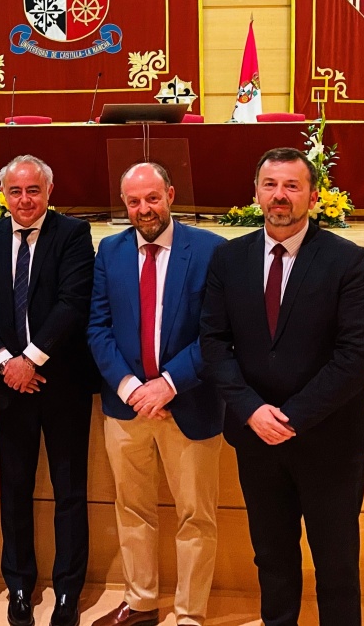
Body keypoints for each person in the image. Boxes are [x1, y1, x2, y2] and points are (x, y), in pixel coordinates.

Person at [201, 147, 364, 626]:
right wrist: (252, 411)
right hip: (257, 439)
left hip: (331, 440)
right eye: (270, 185)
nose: (280, 196)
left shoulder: (348, 260)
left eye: (292, 186)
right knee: (273, 561)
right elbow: (214, 342)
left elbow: (357, 355)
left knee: (336, 564)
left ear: (313, 197)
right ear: (256, 192)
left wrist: (294, 416)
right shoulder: (228, 258)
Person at [86, 163, 226, 626]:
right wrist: (131, 388)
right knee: (132, 510)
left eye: (152, 198)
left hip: (189, 403)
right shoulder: (110, 250)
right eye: (133, 201)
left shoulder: (209, 250)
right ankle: (142, 601)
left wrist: (167, 385)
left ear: (169, 194)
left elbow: (216, 333)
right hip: (126, 408)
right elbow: (98, 328)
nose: (143, 209)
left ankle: (189, 613)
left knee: (196, 517)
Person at [0, 155, 95, 626]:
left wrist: (32, 359)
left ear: (49, 191)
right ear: (3, 194)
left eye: (33, 190)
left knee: (70, 490)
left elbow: (73, 303)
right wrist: (8, 363)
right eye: (15, 191)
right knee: (15, 489)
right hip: (8, 384)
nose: (24, 200)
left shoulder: (72, 234)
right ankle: (20, 585)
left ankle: (68, 589)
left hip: (61, 382)